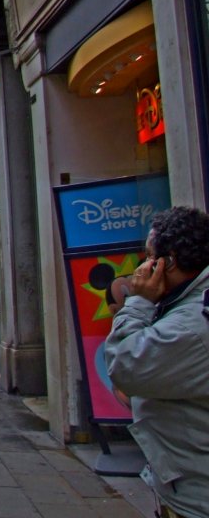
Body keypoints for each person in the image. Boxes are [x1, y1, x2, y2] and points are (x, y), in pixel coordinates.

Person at [104, 206, 209, 518]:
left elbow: (125, 367)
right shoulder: (191, 305)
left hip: (197, 496)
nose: (143, 267)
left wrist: (138, 303)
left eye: (150, 256)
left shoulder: (189, 327)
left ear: (169, 262)